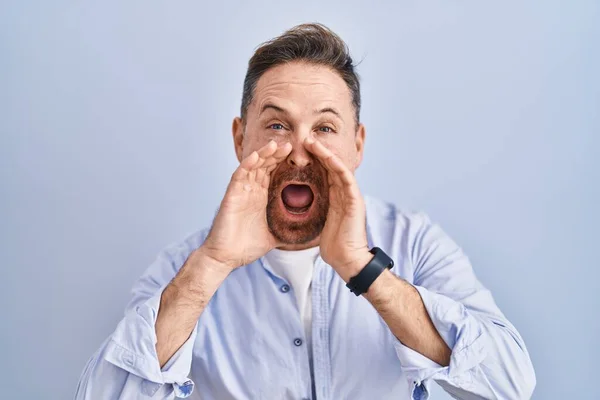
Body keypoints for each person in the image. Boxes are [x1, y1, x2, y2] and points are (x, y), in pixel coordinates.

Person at [75, 23, 535, 400]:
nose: (299, 152)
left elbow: (509, 386)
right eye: (277, 124)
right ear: (240, 138)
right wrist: (211, 267)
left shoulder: (414, 242)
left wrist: (363, 268)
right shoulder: (185, 268)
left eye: (325, 127)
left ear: (357, 144)